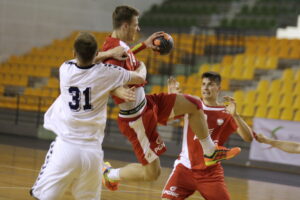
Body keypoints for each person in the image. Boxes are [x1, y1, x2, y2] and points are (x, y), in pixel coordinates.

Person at [101, 5, 241, 190]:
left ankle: (209, 151)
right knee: (153, 174)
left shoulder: (119, 46)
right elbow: (102, 76)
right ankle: (109, 174)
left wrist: (144, 45)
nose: (139, 28)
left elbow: (123, 58)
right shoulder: (111, 51)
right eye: (136, 25)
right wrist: (123, 84)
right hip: (137, 119)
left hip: (148, 103)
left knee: (194, 104)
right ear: (125, 26)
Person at [30, 32, 147, 200]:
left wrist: (107, 54)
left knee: (41, 196)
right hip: (93, 155)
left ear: (73, 53)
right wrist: (141, 66)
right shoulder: (109, 73)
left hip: (65, 148)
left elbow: (88, 62)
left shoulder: (65, 69)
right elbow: (139, 78)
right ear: (96, 52)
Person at [162, 72, 253, 200]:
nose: (205, 87)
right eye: (203, 84)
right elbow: (167, 117)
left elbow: (248, 138)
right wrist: (171, 98)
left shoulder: (225, 113)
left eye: (210, 84)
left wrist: (235, 115)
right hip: (185, 169)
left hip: (210, 173)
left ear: (219, 88)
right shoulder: (191, 104)